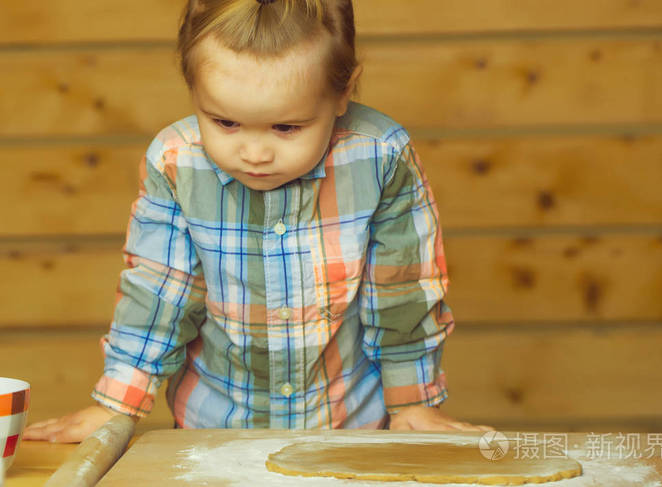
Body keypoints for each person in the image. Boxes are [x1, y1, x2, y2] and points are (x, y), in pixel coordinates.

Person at [25, 0, 493, 443]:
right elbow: (159, 292)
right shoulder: (174, 163)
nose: (254, 153)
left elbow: (402, 289)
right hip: (213, 430)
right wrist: (117, 405)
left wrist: (412, 403)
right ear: (193, 89)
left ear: (342, 92)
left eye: (286, 128)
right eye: (224, 123)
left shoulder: (382, 157)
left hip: (350, 427)